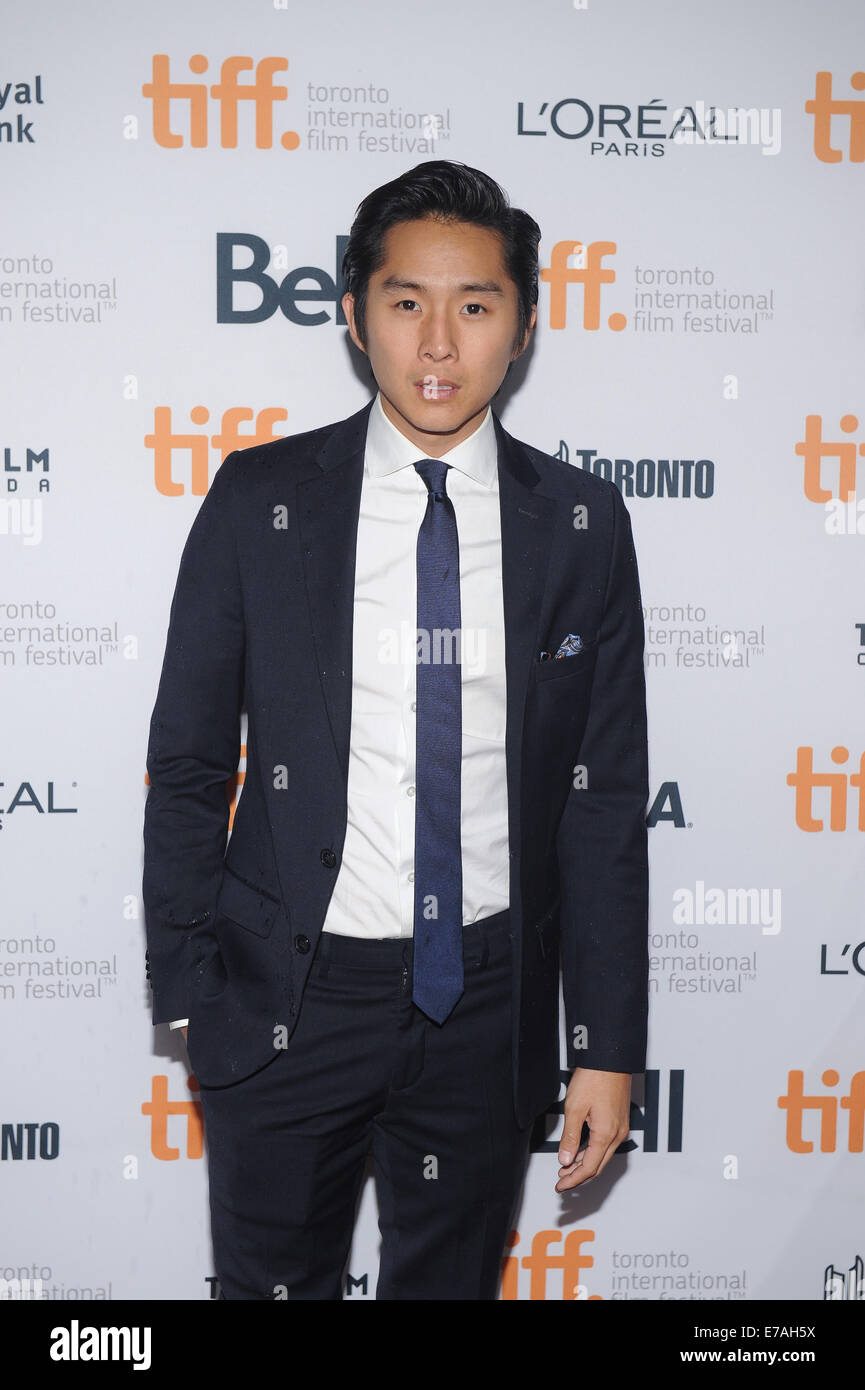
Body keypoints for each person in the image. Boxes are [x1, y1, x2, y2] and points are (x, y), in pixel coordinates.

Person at [143, 159, 649, 1300]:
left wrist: (605, 1045)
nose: (437, 342)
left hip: (482, 1004)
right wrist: (189, 984)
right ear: (352, 313)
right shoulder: (259, 501)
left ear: (520, 326)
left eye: (474, 305)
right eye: (405, 302)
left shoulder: (578, 526)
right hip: (286, 999)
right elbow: (185, 761)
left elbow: (603, 801)